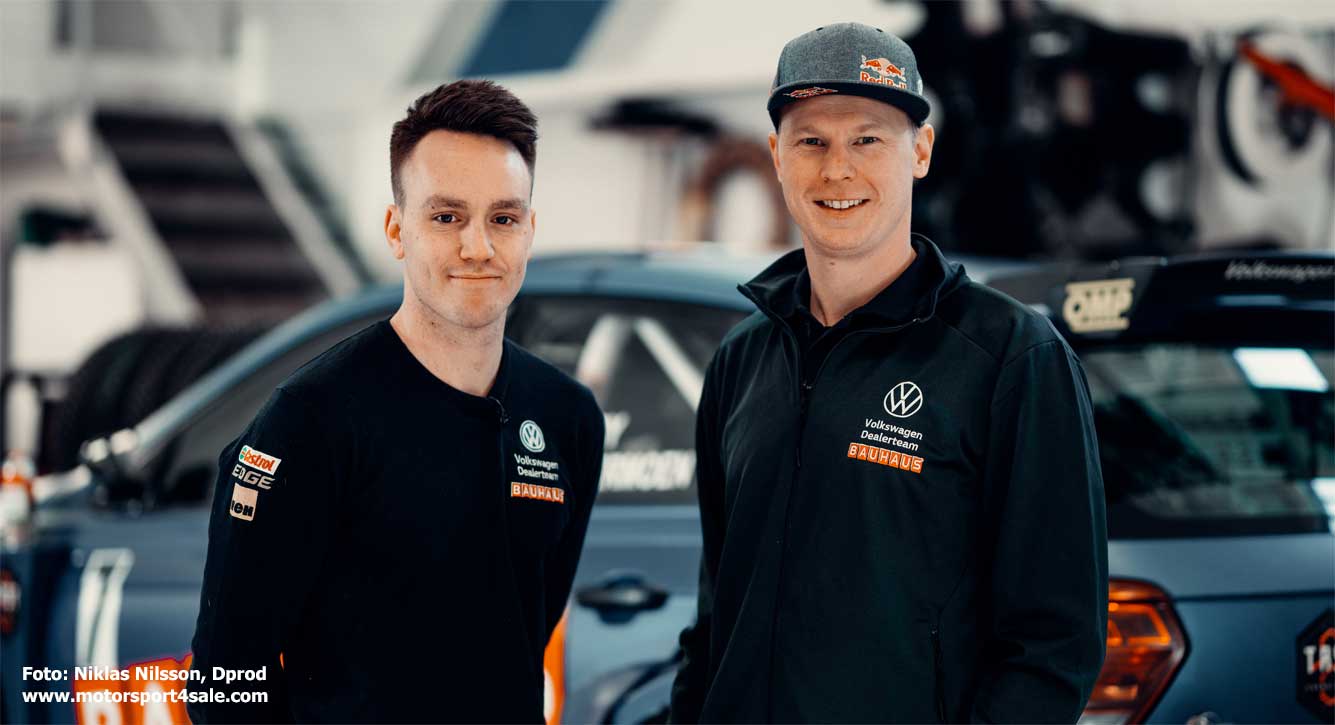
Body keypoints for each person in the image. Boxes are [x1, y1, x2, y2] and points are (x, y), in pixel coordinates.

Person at [668, 23, 1107, 724]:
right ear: (777, 157)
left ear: (921, 151)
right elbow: (717, 609)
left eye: (867, 139)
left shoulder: (1010, 356)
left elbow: (1054, 643)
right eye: (811, 141)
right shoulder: (741, 360)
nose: (836, 169)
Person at [187, 79, 604, 723]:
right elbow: (223, 683)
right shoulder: (312, 419)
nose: (478, 247)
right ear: (396, 229)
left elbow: (526, 634)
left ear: (529, 230)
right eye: (446, 217)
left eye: (503, 218)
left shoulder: (567, 418)